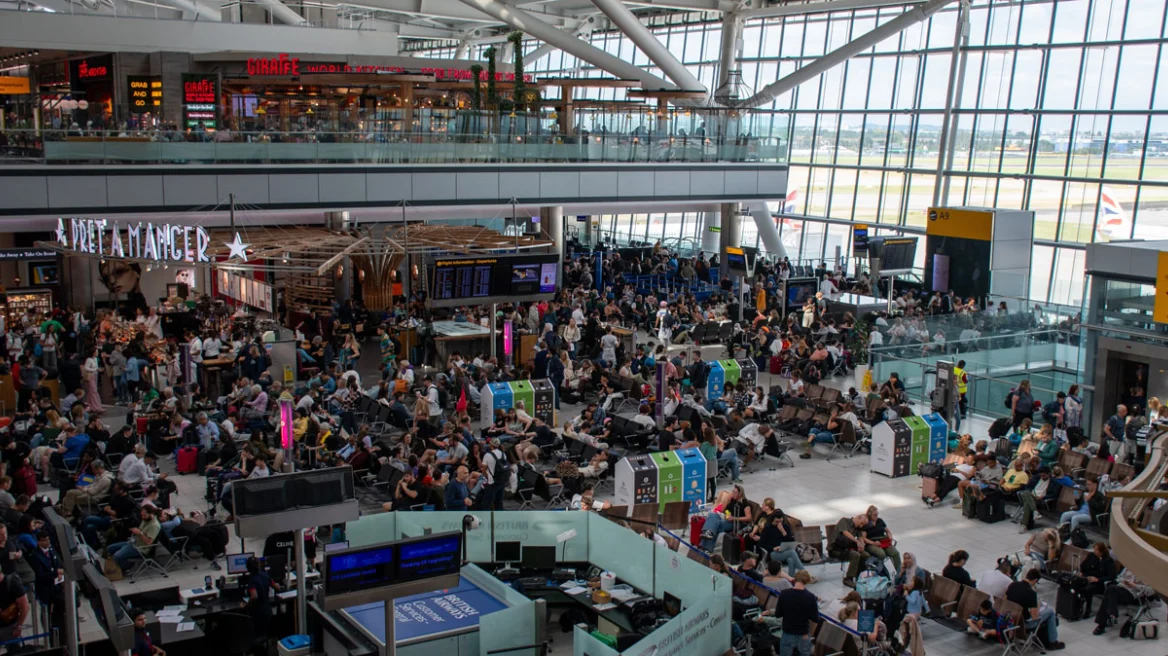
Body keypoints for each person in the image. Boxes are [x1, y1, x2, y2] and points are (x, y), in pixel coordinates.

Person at [1007, 569, 1064, 649]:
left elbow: (1005, 600)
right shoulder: (1031, 593)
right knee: (1050, 611)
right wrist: (1037, 605)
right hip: (1025, 624)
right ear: (1035, 580)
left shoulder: (1012, 585)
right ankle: (1052, 641)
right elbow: (1035, 617)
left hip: (1011, 619)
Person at [1092, 568, 1152, 635]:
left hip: (1132, 594)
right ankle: (1112, 614)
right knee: (1110, 593)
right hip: (1120, 589)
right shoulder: (1128, 567)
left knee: (1110, 591)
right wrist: (1124, 581)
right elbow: (1119, 577)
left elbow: (1150, 591)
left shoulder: (1148, 572)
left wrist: (1134, 585)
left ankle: (1102, 624)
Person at [774, 570, 817, 656]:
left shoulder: (784, 594)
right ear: (807, 581)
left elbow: (777, 614)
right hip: (803, 633)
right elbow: (815, 618)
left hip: (787, 632)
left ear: (795, 579)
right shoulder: (811, 597)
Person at [1075, 541, 1116, 621]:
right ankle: (1076, 607)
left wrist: (1098, 579)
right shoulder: (1091, 556)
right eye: (1094, 550)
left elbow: (1111, 576)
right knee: (1075, 584)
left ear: (1102, 551)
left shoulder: (1108, 561)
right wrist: (1081, 572)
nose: (1095, 552)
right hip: (1087, 577)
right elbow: (1083, 566)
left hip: (1099, 582)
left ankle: (1088, 609)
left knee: (1088, 589)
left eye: (1097, 550)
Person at [242, 555, 278, 643]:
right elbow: (277, 587)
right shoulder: (265, 575)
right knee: (265, 635)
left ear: (248, 568)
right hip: (267, 611)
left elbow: (254, 596)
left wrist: (246, 605)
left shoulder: (252, 580)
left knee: (258, 637)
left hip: (258, 614)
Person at [862, 505, 901, 572]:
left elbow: (888, 531)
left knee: (895, 553)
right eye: (874, 515)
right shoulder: (866, 523)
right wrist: (873, 543)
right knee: (881, 554)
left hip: (883, 540)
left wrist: (890, 538)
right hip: (872, 542)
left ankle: (899, 571)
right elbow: (863, 538)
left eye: (877, 514)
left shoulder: (880, 521)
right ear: (870, 515)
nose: (876, 516)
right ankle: (882, 571)